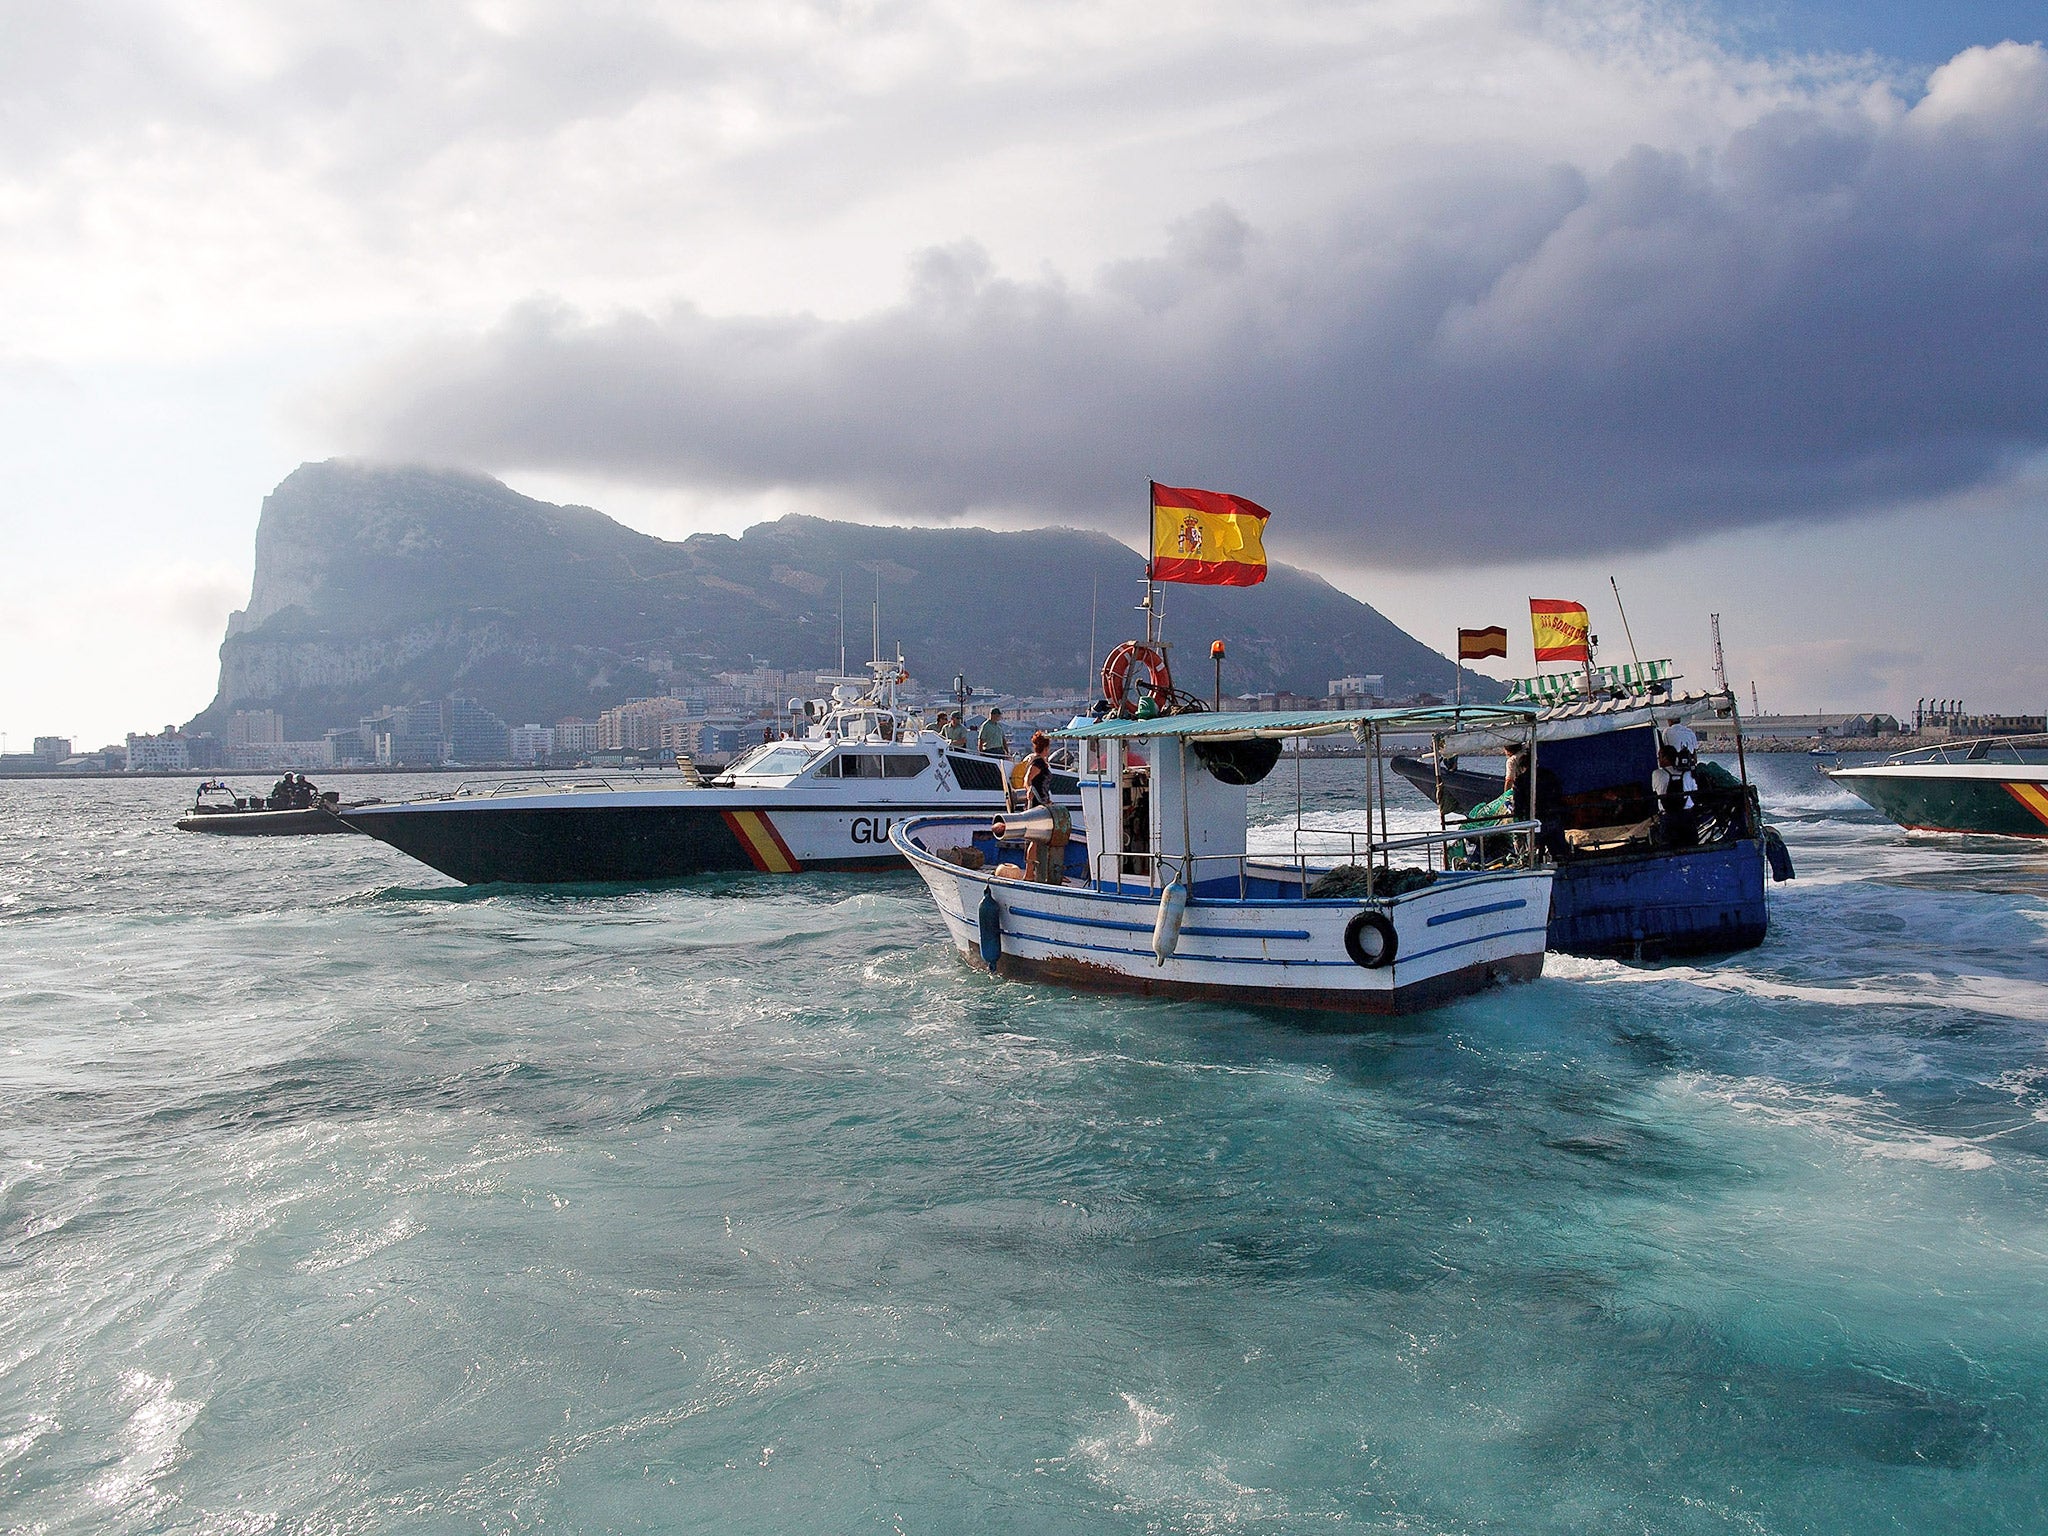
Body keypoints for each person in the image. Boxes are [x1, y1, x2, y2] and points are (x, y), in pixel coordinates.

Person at [1022, 731, 1071, 882]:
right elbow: (1027, 780)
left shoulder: (1039, 761)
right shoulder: (1038, 763)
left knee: (1042, 839)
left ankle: (1045, 870)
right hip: (1038, 804)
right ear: (1047, 747)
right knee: (1035, 840)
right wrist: (1030, 790)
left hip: (1044, 803)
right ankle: (1029, 873)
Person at [1652, 743, 1698, 847]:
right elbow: (1694, 789)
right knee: (1692, 846)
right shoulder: (1687, 773)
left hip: (1668, 818)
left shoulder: (1657, 774)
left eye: (1659, 757)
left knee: (1668, 847)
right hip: (1687, 816)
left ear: (1665, 757)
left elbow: (1655, 791)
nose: (1658, 759)